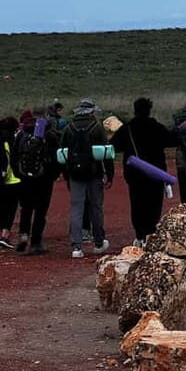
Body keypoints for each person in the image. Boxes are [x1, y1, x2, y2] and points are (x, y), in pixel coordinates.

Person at [111, 97, 174, 246]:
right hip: (155, 172)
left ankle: (140, 235)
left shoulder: (127, 128)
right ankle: (150, 233)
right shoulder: (156, 126)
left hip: (134, 173)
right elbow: (171, 140)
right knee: (154, 204)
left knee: (137, 204)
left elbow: (114, 146)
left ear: (135, 110)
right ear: (149, 110)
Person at [62, 98, 114, 259]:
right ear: (92, 112)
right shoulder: (97, 127)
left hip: (75, 174)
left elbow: (63, 154)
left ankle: (77, 246)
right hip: (94, 173)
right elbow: (106, 153)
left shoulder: (69, 128)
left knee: (76, 208)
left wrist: (67, 176)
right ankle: (98, 242)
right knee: (96, 207)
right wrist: (110, 175)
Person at [15, 105, 63, 255]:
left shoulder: (22, 133)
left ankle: (23, 234)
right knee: (41, 211)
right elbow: (56, 157)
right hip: (44, 178)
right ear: (45, 115)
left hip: (24, 177)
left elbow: (15, 155)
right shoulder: (49, 134)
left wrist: (19, 173)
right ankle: (36, 242)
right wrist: (54, 174)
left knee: (26, 208)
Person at [0, 116, 21, 249]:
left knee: (2, 208)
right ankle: (5, 234)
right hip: (14, 179)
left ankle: (3, 232)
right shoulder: (14, 140)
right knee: (11, 208)